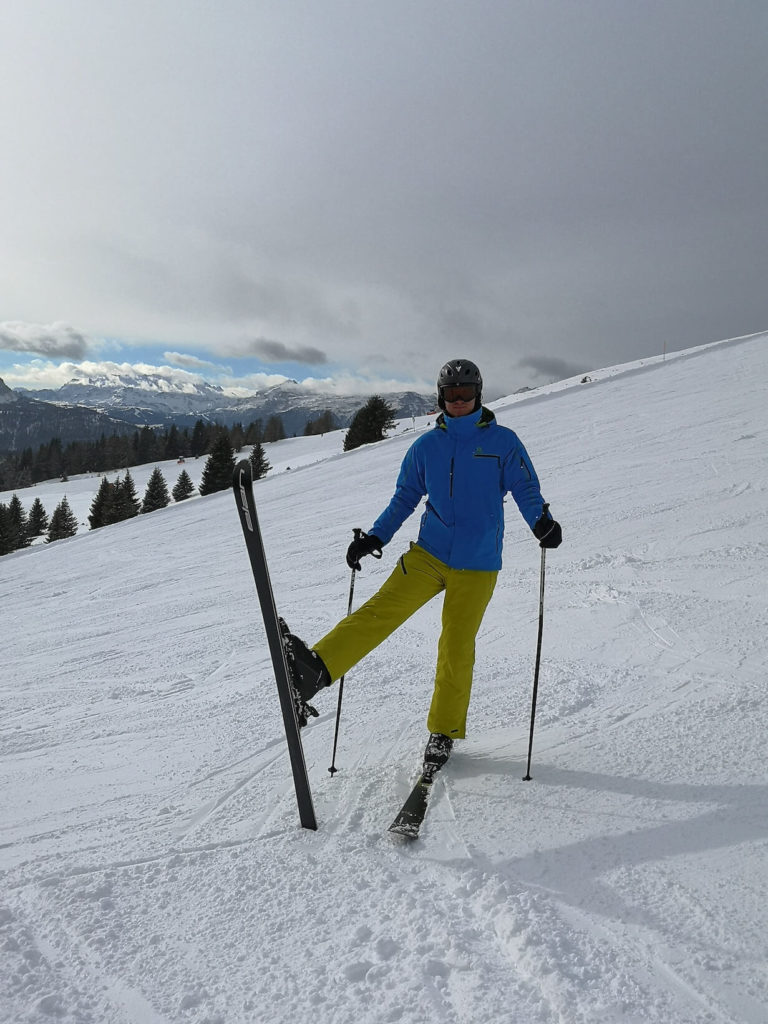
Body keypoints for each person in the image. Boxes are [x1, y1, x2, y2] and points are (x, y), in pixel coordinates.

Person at [285, 358, 562, 771]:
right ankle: (315, 672)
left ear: (479, 395)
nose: (459, 401)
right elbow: (405, 497)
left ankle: (443, 732)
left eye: (466, 394)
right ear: (441, 397)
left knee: (455, 647)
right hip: (429, 553)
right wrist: (376, 536)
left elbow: (524, 486)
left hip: (478, 563)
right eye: (451, 394)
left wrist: (540, 519)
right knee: (379, 611)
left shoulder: (503, 442)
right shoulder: (426, 447)